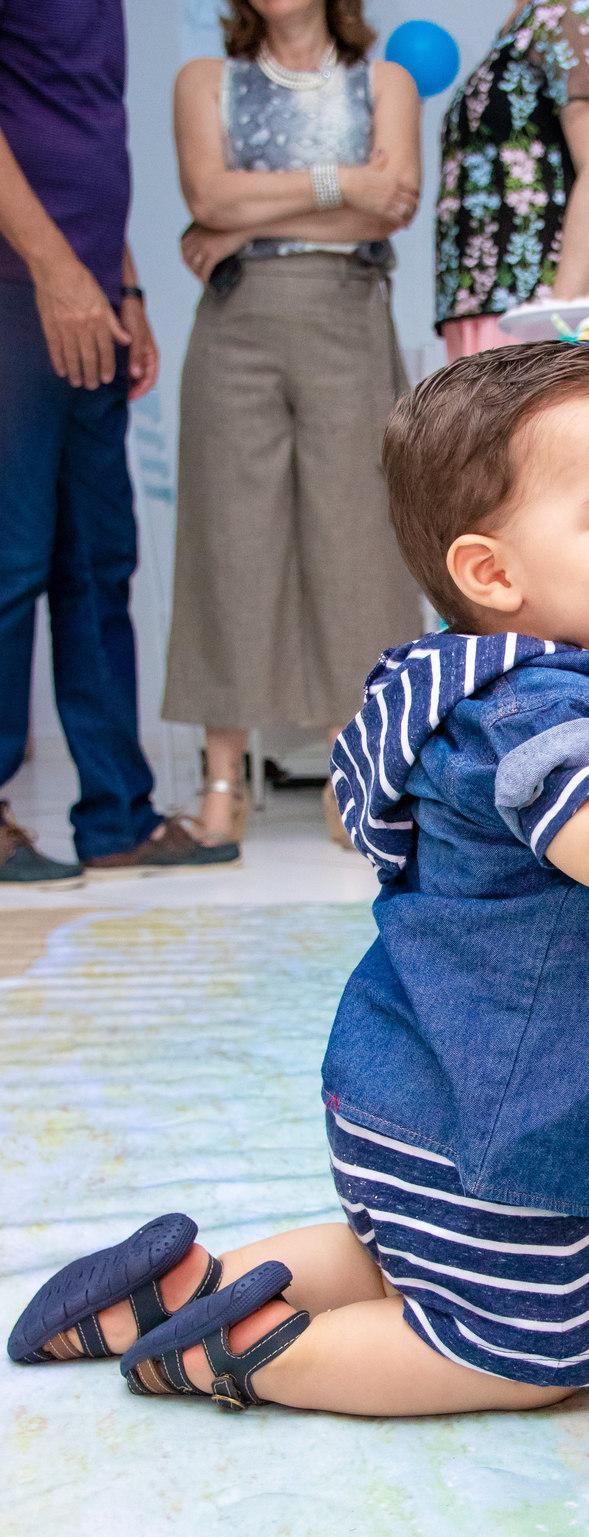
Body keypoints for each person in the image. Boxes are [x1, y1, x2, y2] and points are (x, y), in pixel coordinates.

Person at [8, 341, 589, 1418]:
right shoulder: (531, 712)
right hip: (469, 1124)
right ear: (492, 575)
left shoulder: (553, 688)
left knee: (398, 1269)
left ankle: (182, 1287)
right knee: (531, 1355)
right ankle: (239, 1354)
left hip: (430, 1098)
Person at [161, 0, 424, 850]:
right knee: (228, 539)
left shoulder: (386, 83)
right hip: (236, 321)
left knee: (361, 541)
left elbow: (391, 210)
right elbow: (205, 192)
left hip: (348, 313)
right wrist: (341, 183)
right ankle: (222, 780)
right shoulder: (207, 81)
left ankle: (362, 773)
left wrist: (239, 219)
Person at [0, 0, 239, 885]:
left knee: (99, 560)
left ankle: (116, 815)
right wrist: (57, 275)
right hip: (19, 289)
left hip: (90, 288)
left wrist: (123, 288)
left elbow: (83, 141)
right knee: (11, 557)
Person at [435, 0, 589, 360]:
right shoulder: (529, 16)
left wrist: (553, 335)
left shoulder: (582, 6)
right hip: (498, 317)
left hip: (545, 320)